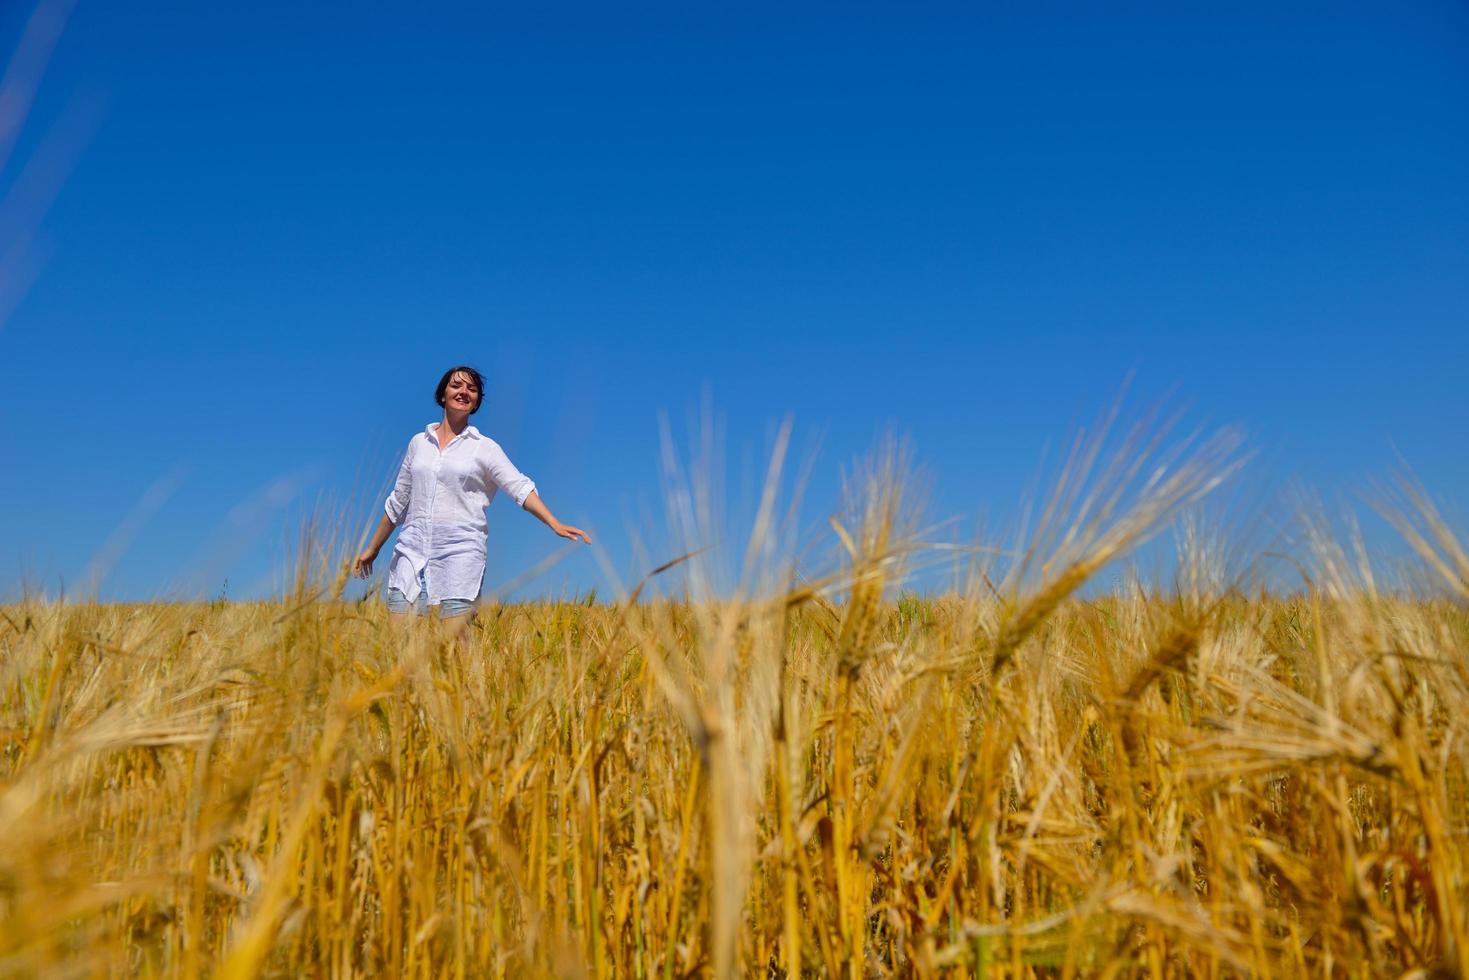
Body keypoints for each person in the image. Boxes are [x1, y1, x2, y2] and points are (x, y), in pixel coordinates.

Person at [353, 366, 589, 638]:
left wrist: (554, 523)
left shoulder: (484, 447)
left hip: (460, 553)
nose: (463, 392)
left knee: (455, 649)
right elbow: (398, 501)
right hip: (411, 551)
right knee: (399, 644)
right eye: (456, 386)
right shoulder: (418, 443)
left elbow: (519, 487)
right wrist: (373, 548)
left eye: (472, 389)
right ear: (442, 394)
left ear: (476, 401)